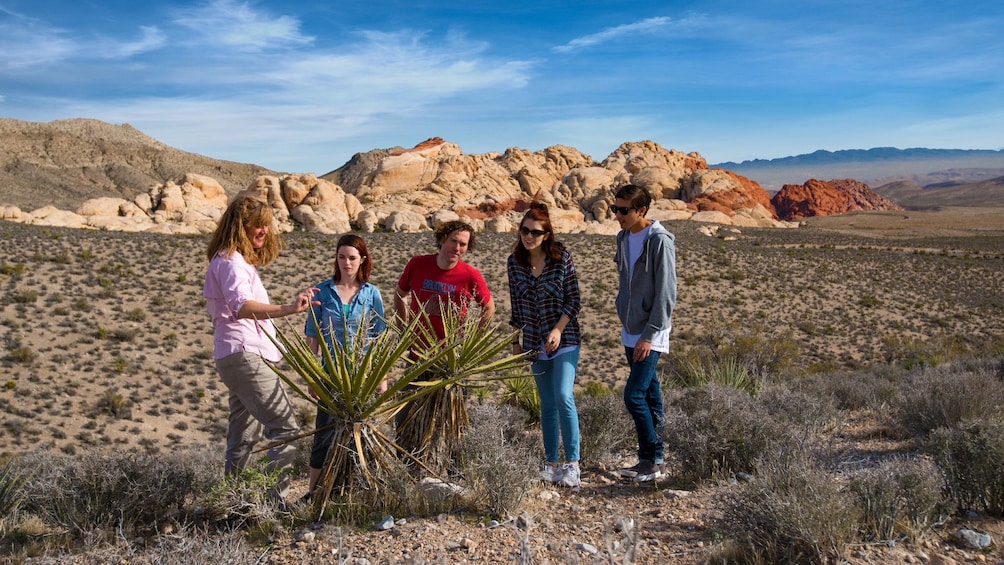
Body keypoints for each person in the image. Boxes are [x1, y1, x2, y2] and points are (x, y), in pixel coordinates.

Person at [203, 191, 319, 500]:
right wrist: (289, 309)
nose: (264, 231)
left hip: (233, 354)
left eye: (266, 225)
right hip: (244, 354)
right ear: (241, 226)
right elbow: (241, 306)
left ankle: (234, 503)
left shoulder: (232, 260)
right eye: (258, 225)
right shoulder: (231, 262)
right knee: (286, 429)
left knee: (242, 436)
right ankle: (270, 503)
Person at [302, 234, 386, 500]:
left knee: (361, 435)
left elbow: (378, 338)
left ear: (362, 260)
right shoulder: (322, 291)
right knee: (324, 434)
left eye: (352, 258)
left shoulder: (371, 294)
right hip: (329, 375)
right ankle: (313, 492)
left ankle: (358, 492)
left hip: (362, 378)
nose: (346, 263)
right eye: (341, 257)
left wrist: (380, 379)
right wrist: (311, 376)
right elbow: (311, 338)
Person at [507, 202, 583, 489]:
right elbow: (516, 306)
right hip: (534, 342)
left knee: (563, 395)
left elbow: (573, 300)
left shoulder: (561, 258)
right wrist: (515, 344)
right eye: (524, 230)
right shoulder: (514, 263)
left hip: (565, 338)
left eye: (535, 232)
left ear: (547, 234)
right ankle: (551, 463)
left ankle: (572, 464)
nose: (528, 236)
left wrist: (557, 330)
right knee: (547, 403)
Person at [611, 184, 677, 483]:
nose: (618, 215)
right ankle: (656, 460)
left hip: (651, 331)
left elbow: (666, 292)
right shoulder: (623, 237)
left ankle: (648, 459)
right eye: (616, 209)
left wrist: (649, 335)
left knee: (634, 395)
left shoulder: (659, 241)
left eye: (624, 210)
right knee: (651, 393)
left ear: (642, 210)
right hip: (630, 327)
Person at [393, 220, 495, 336]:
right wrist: (402, 329)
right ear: (442, 239)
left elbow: (489, 308)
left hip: (451, 350)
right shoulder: (417, 264)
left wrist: (472, 340)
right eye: (453, 241)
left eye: (462, 244)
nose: (457, 248)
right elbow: (400, 294)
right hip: (415, 347)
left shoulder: (470, 275)